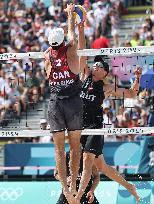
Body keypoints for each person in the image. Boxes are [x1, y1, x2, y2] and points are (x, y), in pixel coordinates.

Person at [75, 23, 142, 204]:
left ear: (105, 72)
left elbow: (131, 93)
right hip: (81, 127)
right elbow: (81, 50)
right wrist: (81, 29)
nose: (95, 65)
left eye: (99, 65)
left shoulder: (106, 88)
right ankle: (130, 187)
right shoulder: (84, 75)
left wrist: (137, 78)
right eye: (95, 63)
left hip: (95, 127)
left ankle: (78, 196)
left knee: (87, 159)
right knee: (103, 167)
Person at [44, 3, 83, 204]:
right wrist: (70, 15)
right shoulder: (71, 51)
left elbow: (47, 75)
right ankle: (74, 186)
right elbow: (72, 34)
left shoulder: (46, 56)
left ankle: (65, 189)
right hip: (73, 102)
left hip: (55, 102)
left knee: (58, 149)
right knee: (75, 147)